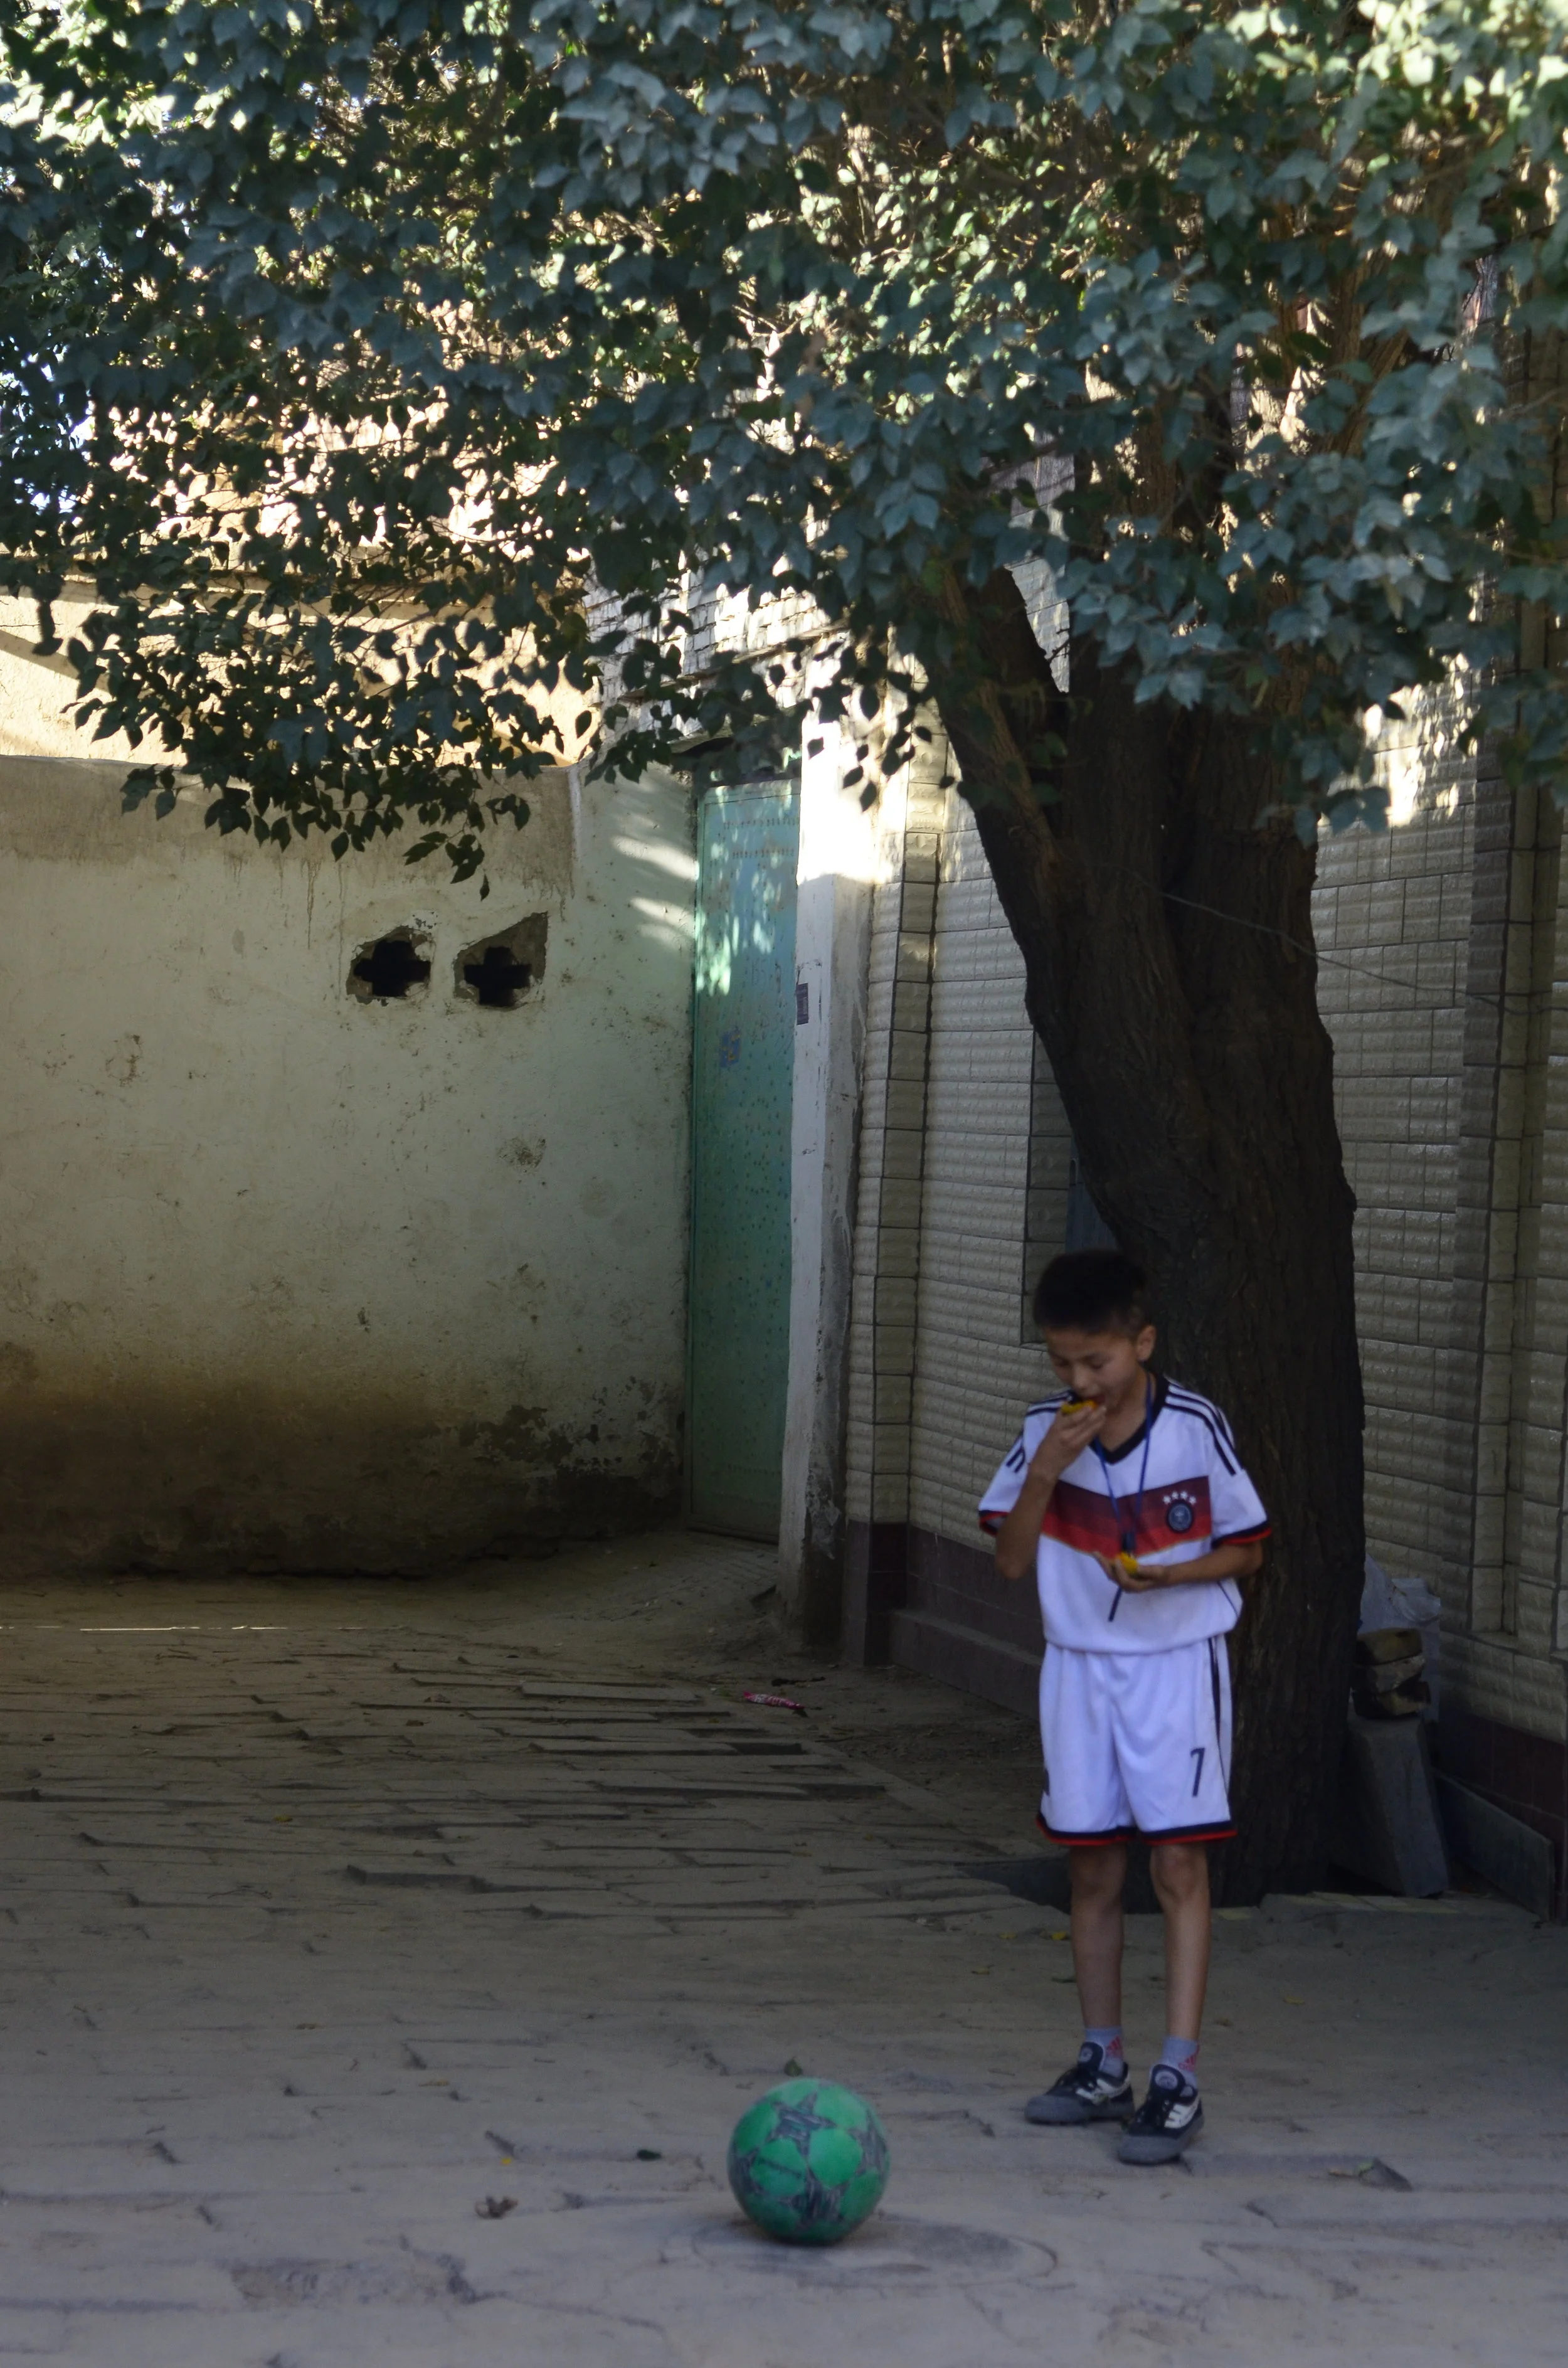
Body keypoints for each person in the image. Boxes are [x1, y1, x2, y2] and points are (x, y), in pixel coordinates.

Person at [980, 1248, 1268, 2165]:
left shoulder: (1193, 1427)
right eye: (1061, 1362)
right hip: (1080, 1672)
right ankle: (1102, 2061)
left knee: (1179, 1866)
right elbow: (1013, 1562)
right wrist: (1043, 1474)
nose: (1079, 1380)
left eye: (1096, 1362)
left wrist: (1173, 1574)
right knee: (1092, 1869)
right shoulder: (1043, 1432)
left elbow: (1249, 1551)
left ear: (1141, 1342)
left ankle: (1178, 2074)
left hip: (1175, 1668)